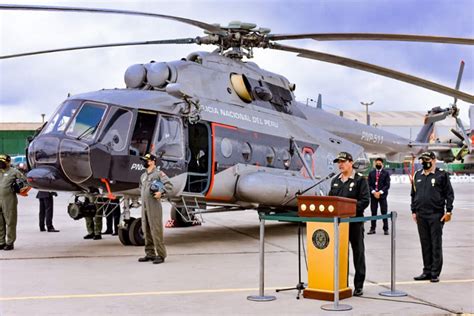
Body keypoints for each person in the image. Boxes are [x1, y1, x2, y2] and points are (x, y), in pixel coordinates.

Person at [328, 152, 370, 296]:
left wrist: (348, 209)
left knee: (358, 252)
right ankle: (340, 283)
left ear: (351, 162)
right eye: (338, 162)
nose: (340, 164)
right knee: (339, 253)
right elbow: (331, 200)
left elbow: (365, 201)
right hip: (338, 224)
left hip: (354, 222)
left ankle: (359, 285)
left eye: (343, 161)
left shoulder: (360, 180)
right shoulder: (335, 180)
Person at [411, 151, 454, 283]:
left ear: (434, 160)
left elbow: (449, 194)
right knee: (425, 243)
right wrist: (413, 210)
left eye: (427, 159)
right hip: (421, 215)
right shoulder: (418, 175)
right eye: (423, 160)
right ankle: (427, 270)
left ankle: (435, 272)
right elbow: (413, 194)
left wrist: (449, 211)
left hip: (436, 214)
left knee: (435, 244)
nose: (424, 162)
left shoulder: (441, 175)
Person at [138, 153, 173, 264]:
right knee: (146, 229)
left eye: (146, 160)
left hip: (154, 206)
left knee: (156, 229)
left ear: (152, 161)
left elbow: (169, 185)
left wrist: (161, 193)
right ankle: (150, 253)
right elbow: (141, 188)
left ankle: (161, 255)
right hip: (144, 206)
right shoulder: (143, 176)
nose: (144, 162)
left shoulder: (159, 174)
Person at [0, 154, 29, 250]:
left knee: (10, 222)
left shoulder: (14, 172)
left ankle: (10, 242)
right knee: (0, 222)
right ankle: (1, 242)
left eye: (3, 162)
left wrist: (20, 189)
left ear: (8, 162)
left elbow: (26, 181)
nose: (1, 163)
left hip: (9, 200)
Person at [367, 158, 391, 235]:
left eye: (379, 163)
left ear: (382, 164)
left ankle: (386, 229)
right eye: (377, 163)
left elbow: (387, 185)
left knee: (384, 212)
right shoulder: (371, 173)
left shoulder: (386, 173)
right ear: (374, 164)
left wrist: (380, 192)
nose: (378, 165)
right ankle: (372, 228)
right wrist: (374, 192)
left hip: (382, 196)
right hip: (373, 195)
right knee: (373, 212)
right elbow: (369, 184)